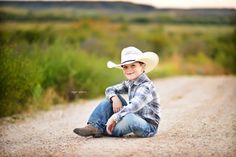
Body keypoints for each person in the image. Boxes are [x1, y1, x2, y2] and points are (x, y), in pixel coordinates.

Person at [73, 46, 160, 138]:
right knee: (111, 99)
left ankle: (103, 129)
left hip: (148, 126)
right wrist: (114, 98)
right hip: (133, 116)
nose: (129, 70)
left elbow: (134, 106)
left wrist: (115, 117)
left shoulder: (146, 86)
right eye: (125, 67)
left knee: (129, 118)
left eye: (133, 65)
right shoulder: (130, 83)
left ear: (142, 67)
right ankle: (93, 126)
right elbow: (109, 89)